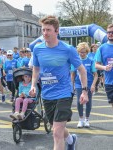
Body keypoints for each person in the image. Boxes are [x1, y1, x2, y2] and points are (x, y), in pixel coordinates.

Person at [29, 15, 88, 150]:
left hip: (64, 93)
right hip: (47, 94)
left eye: (48, 30)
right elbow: (36, 69)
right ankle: (71, 139)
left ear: (57, 31)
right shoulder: (37, 49)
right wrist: (33, 85)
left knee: (56, 133)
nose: (45, 33)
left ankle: (68, 140)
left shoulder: (68, 49)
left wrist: (84, 92)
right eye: (43, 30)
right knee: (57, 128)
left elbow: (82, 70)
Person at [71, 42, 98, 128]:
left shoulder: (90, 61)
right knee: (80, 101)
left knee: (88, 102)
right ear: (78, 52)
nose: (82, 54)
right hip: (78, 84)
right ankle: (81, 119)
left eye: (84, 52)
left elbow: (96, 75)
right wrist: (72, 86)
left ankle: (87, 119)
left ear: (87, 52)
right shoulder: (75, 61)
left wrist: (93, 85)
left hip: (89, 84)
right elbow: (72, 75)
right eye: (80, 52)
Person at [95, 24, 113, 107]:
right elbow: (96, 65)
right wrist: (104, 67)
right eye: (108, 32)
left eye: (112, 32)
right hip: (109, 82)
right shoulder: (102, 48)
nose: (110, 34)